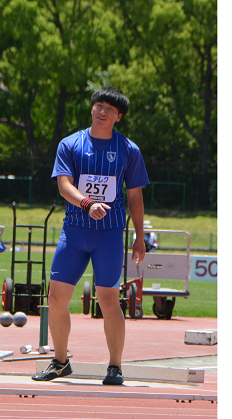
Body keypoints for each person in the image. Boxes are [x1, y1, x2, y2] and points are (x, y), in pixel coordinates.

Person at [33, 87, 150, 386]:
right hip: (74, 233)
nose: (102, 112)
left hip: (108, 235)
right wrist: (87, 204)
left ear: (119, 117)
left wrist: (139, 237)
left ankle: (115, 367)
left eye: (110, 109)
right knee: (56, 298)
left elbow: (135, 196)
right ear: (91, 108)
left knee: (109, 300)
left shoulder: (129, 150)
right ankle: (60, 362)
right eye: (99, 106)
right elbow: (64, 186)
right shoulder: (70, 144)